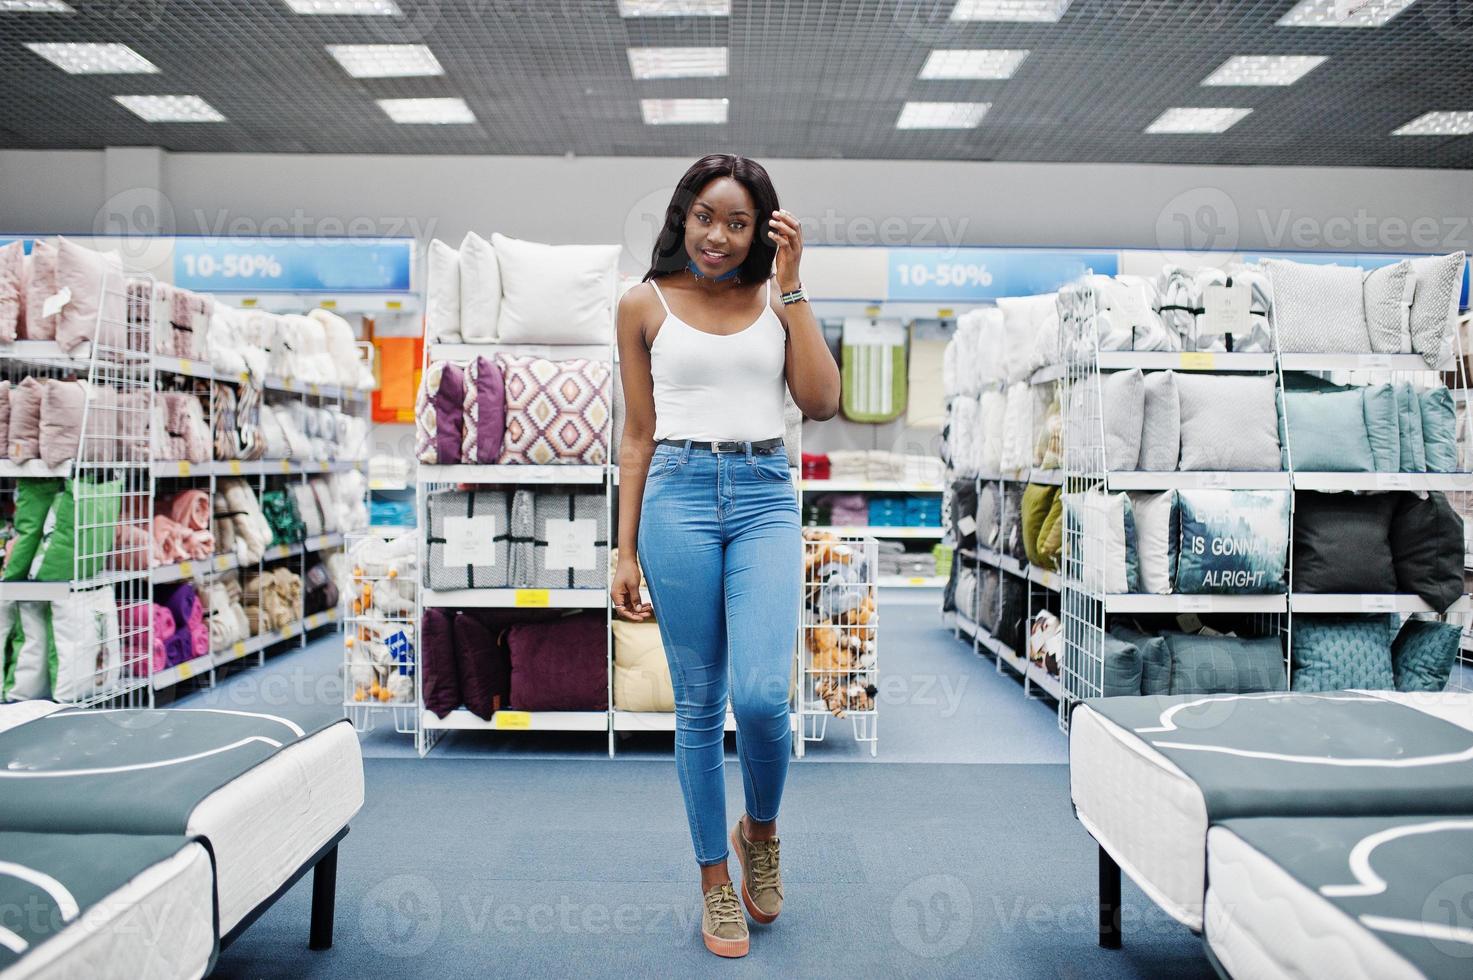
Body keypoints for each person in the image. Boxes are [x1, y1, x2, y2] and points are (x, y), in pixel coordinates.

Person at [611, 154, 841, 958]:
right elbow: (636, 434)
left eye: (737, 222)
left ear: (762, 231)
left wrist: (795, 285)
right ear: (683, 217)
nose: (717, 235)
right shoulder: (641, 304)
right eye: (706, 217)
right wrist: (622, 548)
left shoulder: (777, 300)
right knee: (700, 708)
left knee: (762, 698)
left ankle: (762, 834)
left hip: (762, 494)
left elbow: (820, 401)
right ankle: (714, 882)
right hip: (674, 493)